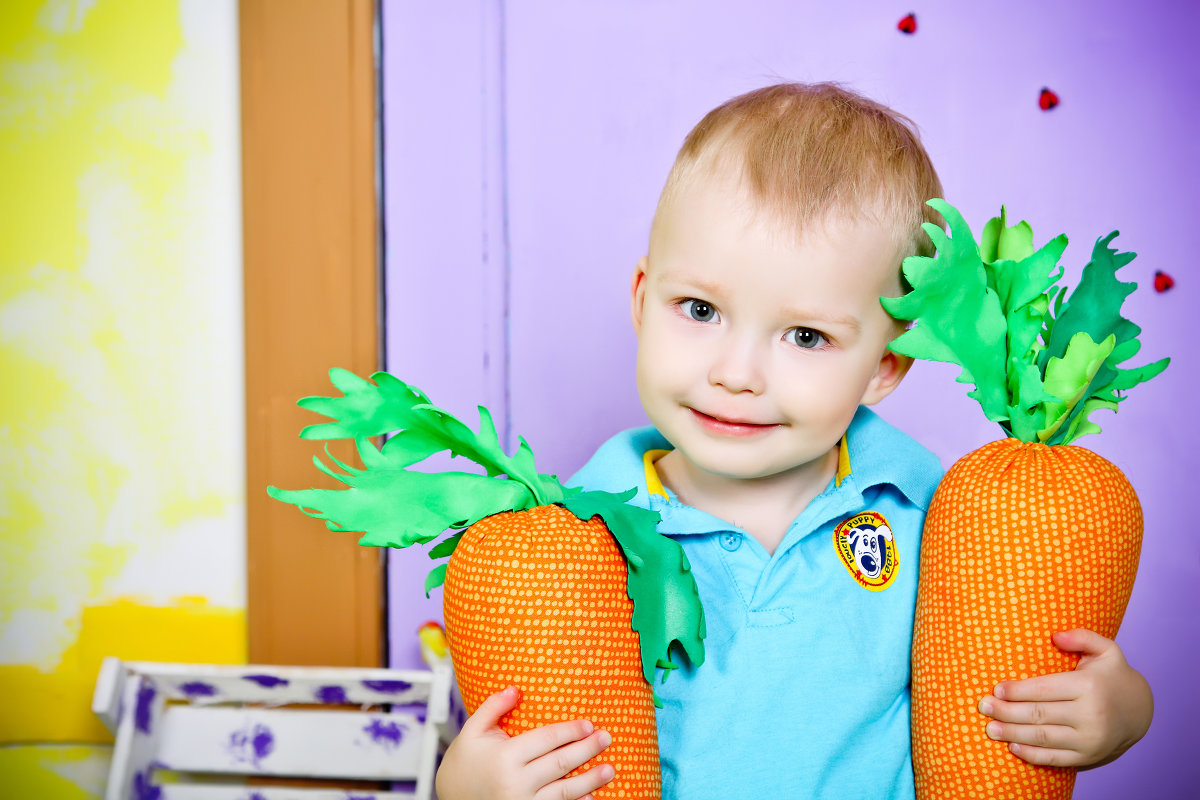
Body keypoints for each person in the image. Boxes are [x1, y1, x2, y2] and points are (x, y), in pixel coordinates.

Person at [435, 82, 1153, 800]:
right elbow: (537, 737)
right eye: (700, 309)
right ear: (641, 301)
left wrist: (1119, 713)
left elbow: (1019, 681)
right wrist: (467, 787)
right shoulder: (573, 547)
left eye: (805, 335)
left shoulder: (943, 520)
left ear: (885, 366)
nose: (736, 373)